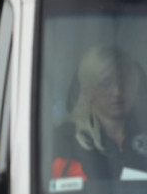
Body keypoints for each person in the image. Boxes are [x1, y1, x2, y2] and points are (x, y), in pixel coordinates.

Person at [52, 44, 147, 182]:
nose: (117, 92)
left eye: (123, 81)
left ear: (134, 84)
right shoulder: (66, 141)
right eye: (105, 84)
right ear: (86, 92)